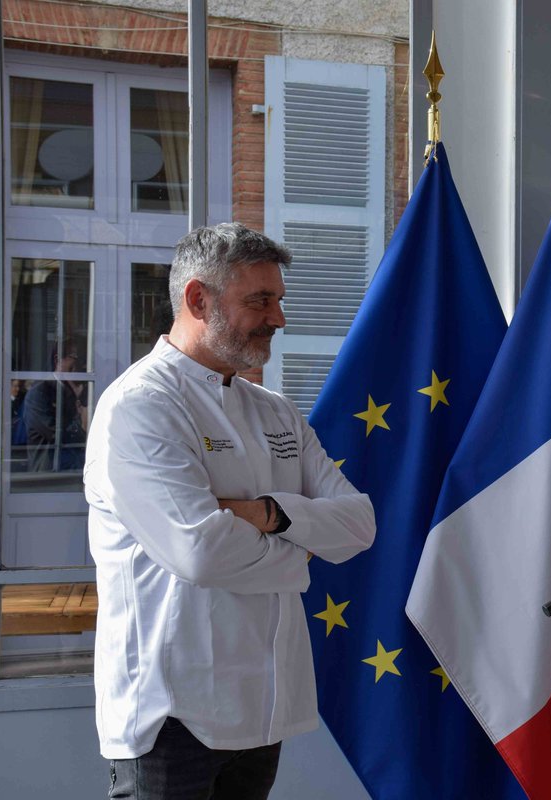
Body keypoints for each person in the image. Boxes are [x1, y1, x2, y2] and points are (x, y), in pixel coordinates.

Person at [84, 223, 376, 799]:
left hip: (264, 712)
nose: (278, 318)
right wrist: (300, 559)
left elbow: (359, 525)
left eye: (278, 300)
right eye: (259, 300)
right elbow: (200, 553)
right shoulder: (141, 407)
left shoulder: (276, 411)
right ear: (198, 299)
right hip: (171, 719)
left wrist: (266, 513)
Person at [23, 340, 88, 473]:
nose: (82, 363)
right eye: (76, 357)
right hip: (48, 474)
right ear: (58, 359)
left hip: (74, 470)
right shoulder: (40, 391)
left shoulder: (77, 391)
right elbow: (54, 433)